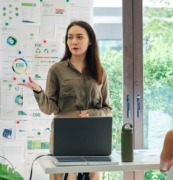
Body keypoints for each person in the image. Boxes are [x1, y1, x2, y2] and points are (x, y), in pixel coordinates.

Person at [19, 21, 112, 180]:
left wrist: (91, 113)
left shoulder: (100, 71)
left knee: (94, 176)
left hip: (93, 133)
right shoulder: (56, 70)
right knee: (62, 176)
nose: (73, 41)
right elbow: (50, 108)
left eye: (79, 37)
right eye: (70, 37)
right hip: (65, 134)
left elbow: (107, 108)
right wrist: (38, 91)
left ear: (90, 41)